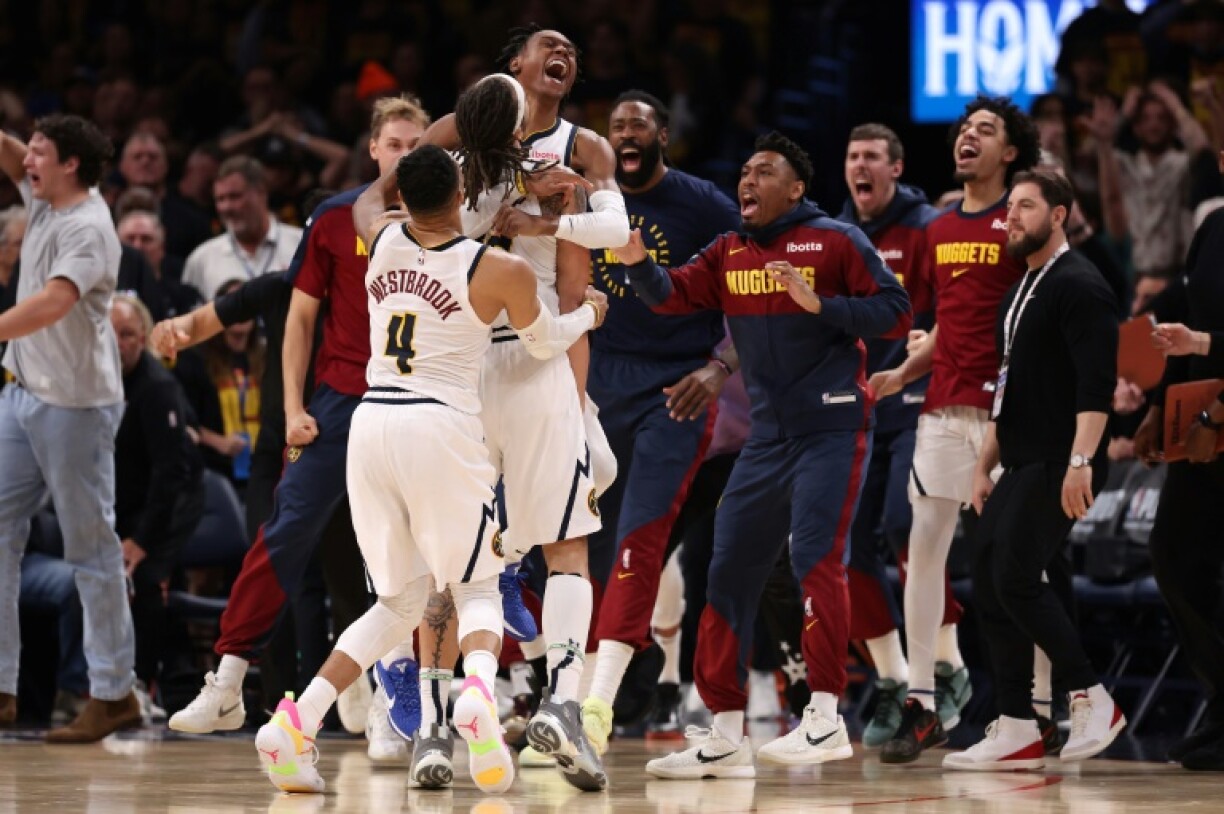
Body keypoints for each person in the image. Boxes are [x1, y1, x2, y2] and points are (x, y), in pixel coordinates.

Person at [251, 143, 608, 796]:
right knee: (477, 584)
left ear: (404, 198)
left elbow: (364, 202)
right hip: (438, 428)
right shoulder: (497, 267)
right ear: (460, 198)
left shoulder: (380, 241)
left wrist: (405, 163)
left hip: (372, 427)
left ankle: (296, 721)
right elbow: (543, 341)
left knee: (400, 601)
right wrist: (589, 313)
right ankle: (476, 693)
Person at [620, 131, 912, 779]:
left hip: (832, 428)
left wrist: (822, 305)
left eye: (763, 172)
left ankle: (826, 717)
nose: (746, 181)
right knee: (725, 571)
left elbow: (895, 310)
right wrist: (637, 259)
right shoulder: (730, 250)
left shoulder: (835, 240)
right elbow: (668, 296)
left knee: (813, 558)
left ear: (796, 187)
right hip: (769, 437)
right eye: (744, 171)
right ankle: (725, 733)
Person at [164, 96, 429, 747]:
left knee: (414, 561)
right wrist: (292, 410)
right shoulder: (336, 219)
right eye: (393, 143)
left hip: (421, 405)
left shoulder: (446, 221)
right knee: (283, 533)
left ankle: (410, 706)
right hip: (340, 403)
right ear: (372, 148)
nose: (404, 154)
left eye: (415, 144)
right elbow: (298, 319)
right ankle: (226, 682)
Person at [415, 65, 628, 792]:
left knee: (450, 563)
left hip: (460, 378)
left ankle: (434, 730)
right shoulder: (545, 167)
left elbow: (400, 224)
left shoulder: (442, 178)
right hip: (532, 362)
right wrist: (543, 211)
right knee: (567, 548)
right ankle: (563, 703)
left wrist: (532, 213)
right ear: (515, 124)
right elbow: (618, 231)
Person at [870, 95, 1040, 764]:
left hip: (1008, 413)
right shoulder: (939, 229)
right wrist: (903, 370)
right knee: (923, 551)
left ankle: (1047, 707)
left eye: (986, 130)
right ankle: (922, 700)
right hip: (942, 406)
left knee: (1024, 563)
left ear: (1011, 154)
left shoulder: (1020, 223)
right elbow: (949, 326)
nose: (968, 137)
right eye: (965, 129)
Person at [945, 168, 1124, 770]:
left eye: (1023, 207)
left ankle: (1091, 695)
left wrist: (1081, 462)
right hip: (1018, 459)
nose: (1010, 217)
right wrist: (983, 465)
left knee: (1017, 576)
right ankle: (1018, 722)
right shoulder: (1020, 290)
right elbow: (1004, 391)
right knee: (992, 581)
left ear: (1059, 215)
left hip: (1059, 458)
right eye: (1008, 209)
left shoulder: (1081, 285)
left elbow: (1096, 388)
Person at [580, 89, 741, 750]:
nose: (626, 132)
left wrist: (719, 369)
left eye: (638, 123)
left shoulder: (704, 205)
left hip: (677, 387)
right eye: (616, 124)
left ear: (662, 136)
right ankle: (589, 680)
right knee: (580, 545)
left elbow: (752, 292)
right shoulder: (586, 199)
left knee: (640, 541)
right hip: (595, 386)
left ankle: (595, 701)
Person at [0, 114, 140, 742]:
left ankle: (113, 693)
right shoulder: (46, 194)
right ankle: (3, 686)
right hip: (24, 395)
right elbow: (9, 156)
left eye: (39, 152)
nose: (27, 160)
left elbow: (55, 302)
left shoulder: (89, 227)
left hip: (77, 408)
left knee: (91, 549)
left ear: (70, 166)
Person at [835, 123, 944, 748]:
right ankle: (893, 678)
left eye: (873, 156)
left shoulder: (926, 226)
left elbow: (949, 308)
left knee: (906, 526)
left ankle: (943, 669)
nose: (861, 166)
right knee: (845, 547)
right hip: (855, 406)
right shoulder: (834, 235)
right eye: (853, 157)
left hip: (919, 400)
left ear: (896, 168)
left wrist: (923, 347)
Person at [1135, 194, 1224, 771]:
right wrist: (1160, 406)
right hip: (1202, 422)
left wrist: (1216, 416)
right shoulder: (1213, 225)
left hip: (1216, 418)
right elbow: (1188, 325)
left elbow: (1203, 339)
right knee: (1173, 555)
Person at [110, 293, 205, 694]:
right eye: (109, 333)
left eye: (127, 334)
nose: (117, 343)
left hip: (176, 497)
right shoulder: (91, 380)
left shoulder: (156, 387)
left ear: (144, 338)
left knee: (144, 577)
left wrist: (142, 540)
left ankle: (142, 684)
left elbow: (172, 472)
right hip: (127, 496)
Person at [181, 156, 303, 300]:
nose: (227, 207)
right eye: (220, 199)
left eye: (235, 196)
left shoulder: (302, 244)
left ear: (261, 193)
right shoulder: (202, 259)